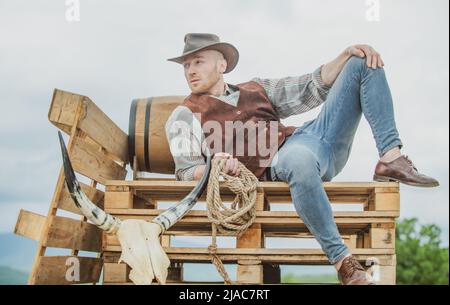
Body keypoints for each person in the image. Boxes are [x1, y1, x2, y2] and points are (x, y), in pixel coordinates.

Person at [165, 33, 439, 285]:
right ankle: (344, 262)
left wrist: (345, 54)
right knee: (299, 161)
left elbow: (311, 86)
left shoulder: (257, 88)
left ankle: (391, 156)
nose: (190, 71)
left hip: (314, 139)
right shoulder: (183, 115)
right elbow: (186, 171)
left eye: (197, 62)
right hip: (285, 163)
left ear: (221, 64)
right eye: (186, 65)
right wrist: (215, 166)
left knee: (361, 62)